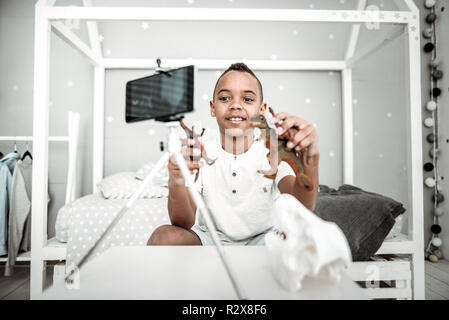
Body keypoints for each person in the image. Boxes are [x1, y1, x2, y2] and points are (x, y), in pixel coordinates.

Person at [147, 62, 320, 246]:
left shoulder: (273, 148)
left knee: (306, 237)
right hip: (211, 239)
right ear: (213, 108)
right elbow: (183, 222)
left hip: (264, 240)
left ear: (261, 110)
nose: (236, 105)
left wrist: (309, 163)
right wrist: (176, 182)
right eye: (225, 98)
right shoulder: (201, 148)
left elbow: (301, 207)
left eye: (247, 99)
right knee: (164, 237)